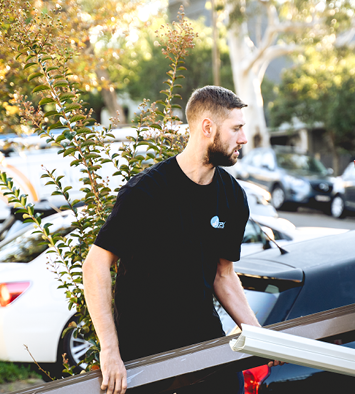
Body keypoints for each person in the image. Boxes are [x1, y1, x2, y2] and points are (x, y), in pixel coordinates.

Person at [83, 86, 262, 394]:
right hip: (145, 358)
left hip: (204, 349)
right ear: (207, 127)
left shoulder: (232, 196)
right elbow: (95, 265)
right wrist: (109, 350)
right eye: (236, 129)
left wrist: (259, 335)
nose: (243, 139)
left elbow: (224, 274)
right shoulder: (146, 193)